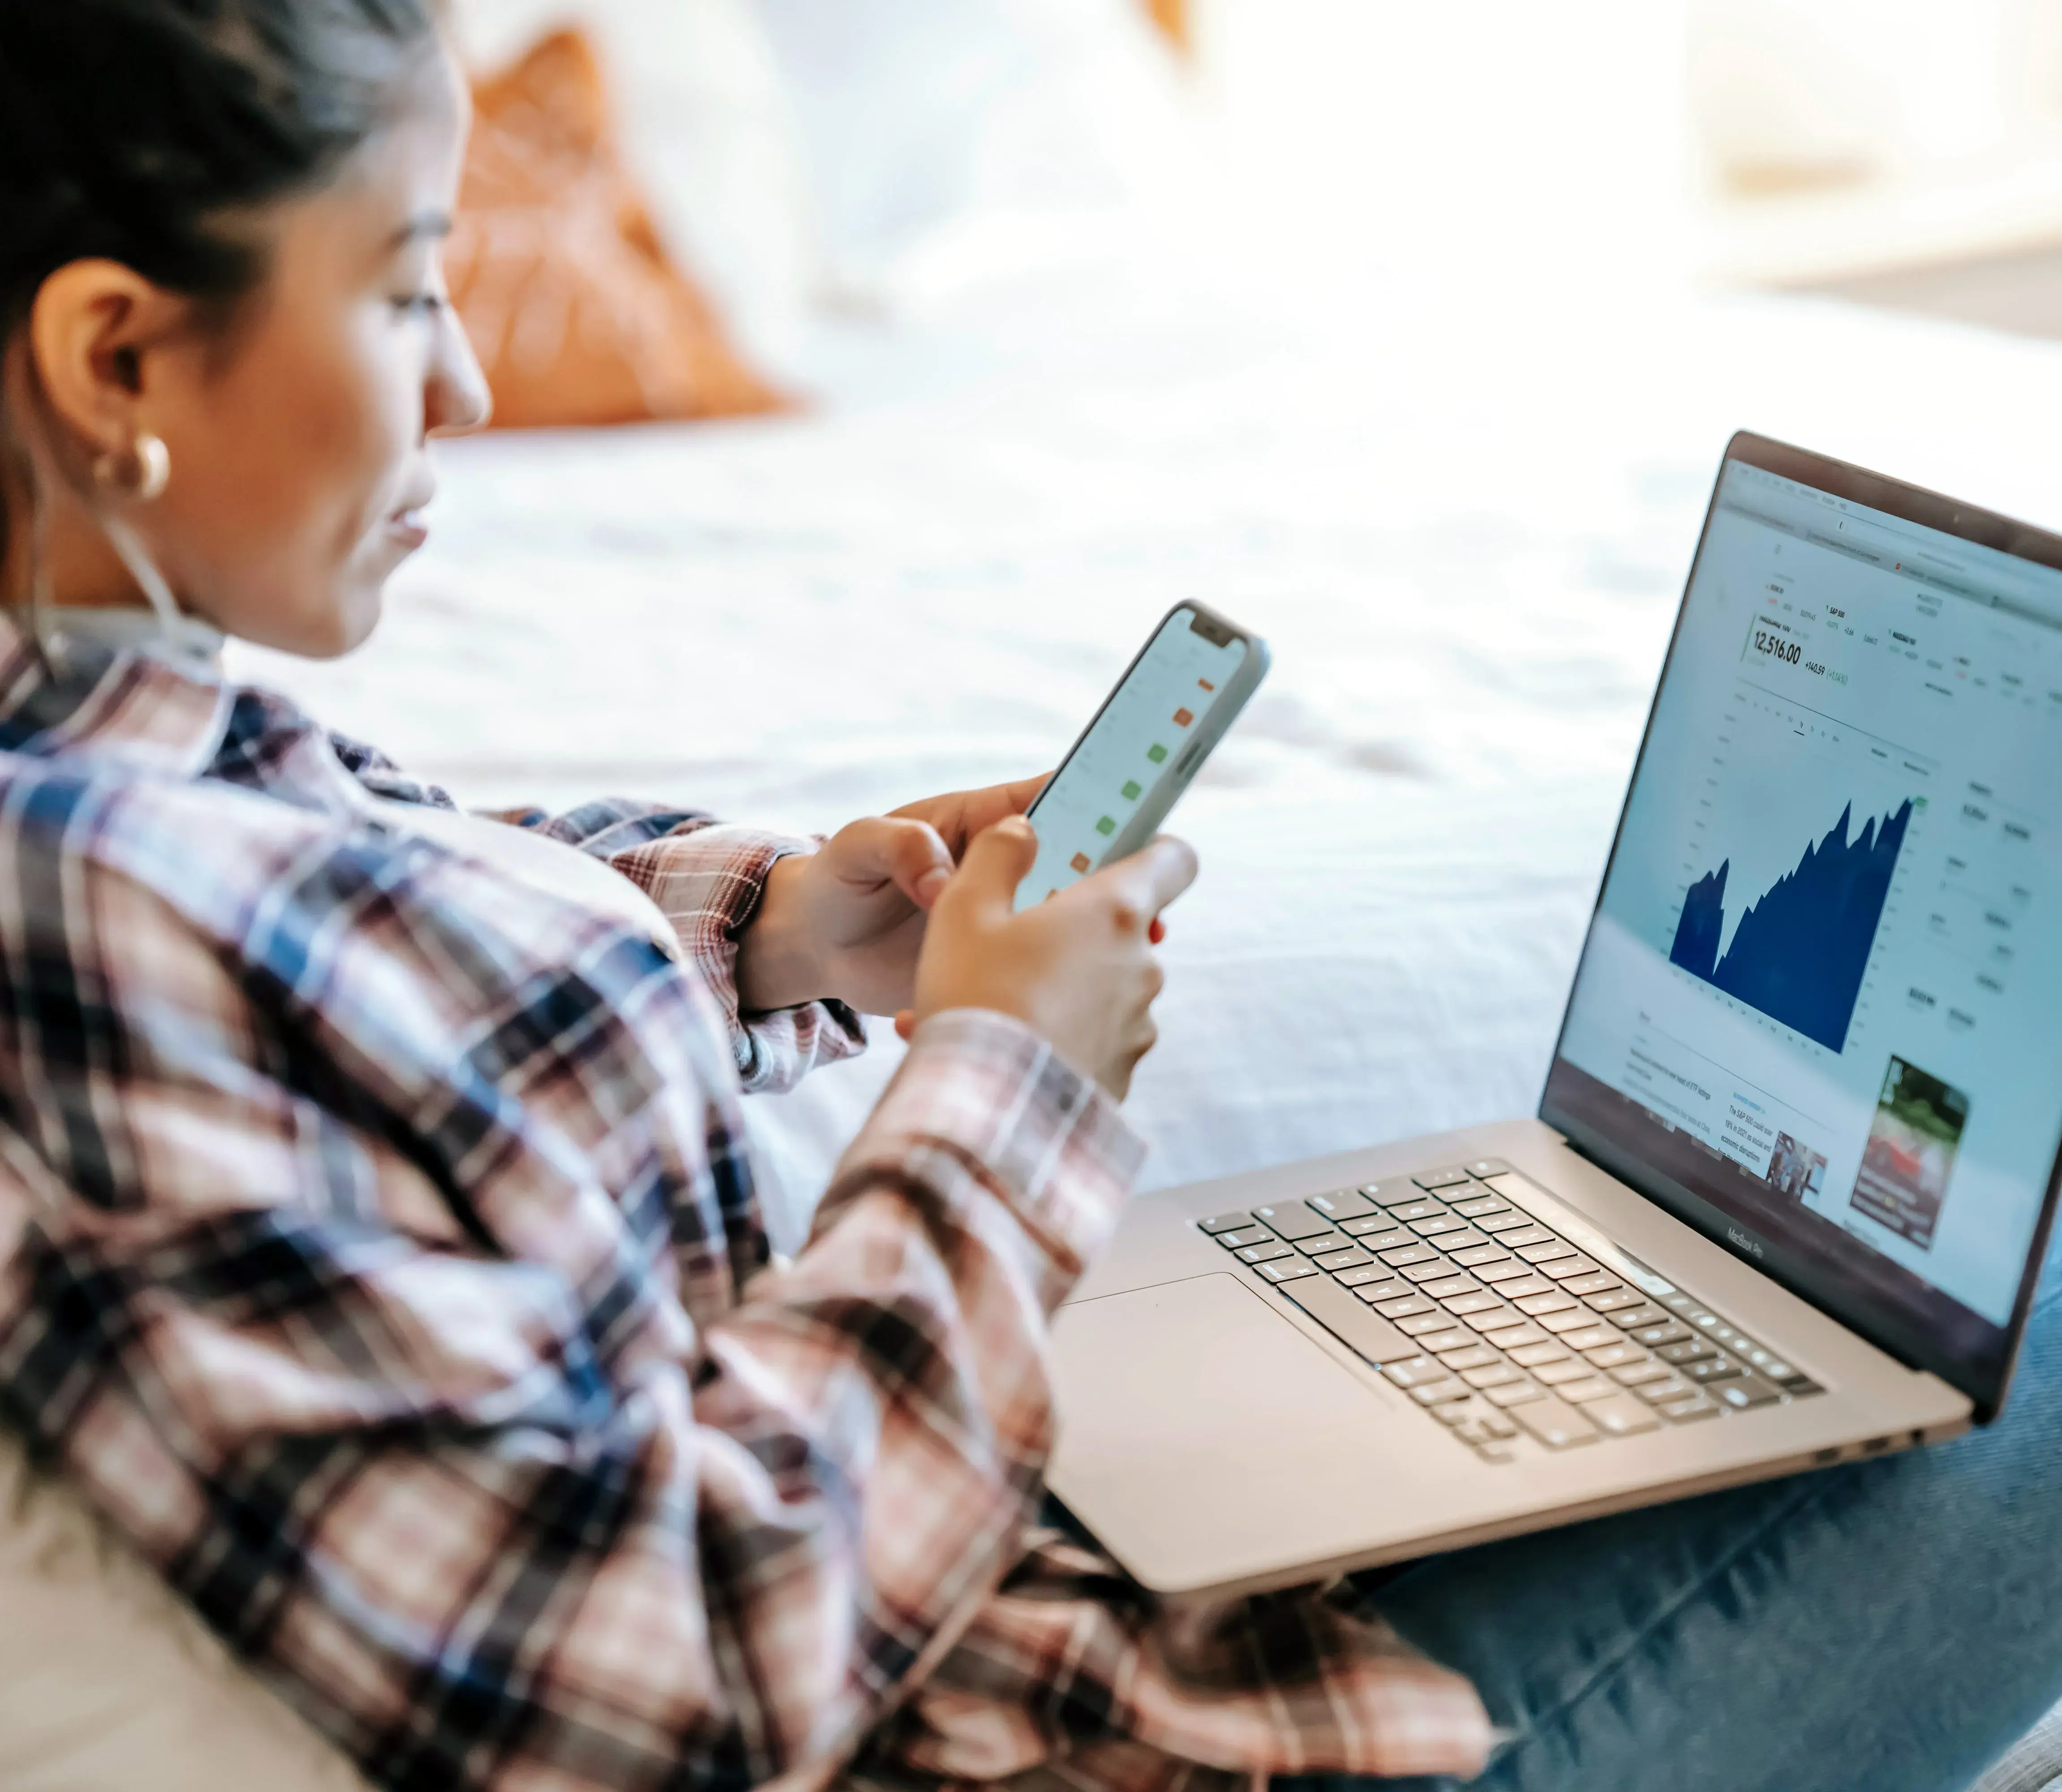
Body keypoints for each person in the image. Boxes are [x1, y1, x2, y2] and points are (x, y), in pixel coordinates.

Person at [0, 6, 2057, 1792]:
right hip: (1042, 1725)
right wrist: (1005, 1080)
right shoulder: (80, 906)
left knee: (1746, 1326)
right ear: (113, 359)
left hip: (1041, 1591)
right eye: (401, 291)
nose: (463, 382)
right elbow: (677, 1678)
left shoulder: (127, 744)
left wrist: (773, 919)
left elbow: (387, 900)